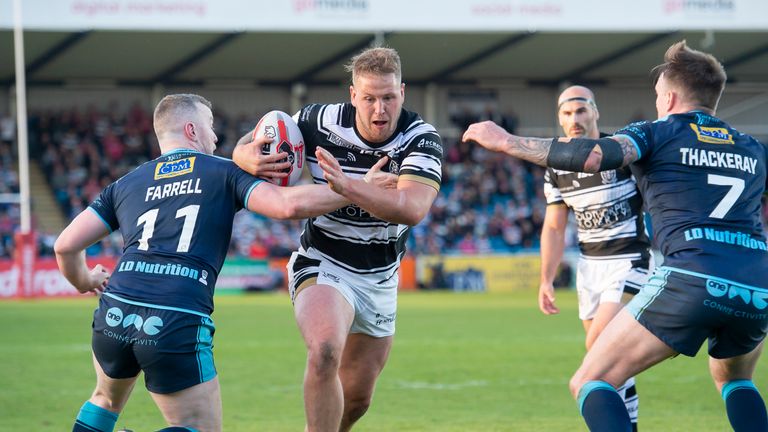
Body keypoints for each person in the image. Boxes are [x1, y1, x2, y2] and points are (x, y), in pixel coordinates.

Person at [463, 41, 768, 432]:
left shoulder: (656, 132)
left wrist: (506, 141)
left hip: (690, 276)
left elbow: (591, 157)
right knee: (736, 379)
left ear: (670, 96)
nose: (657, 102)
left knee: (590, 380)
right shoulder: (752, 149)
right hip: (756, 285)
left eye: (658, 95)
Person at [55, 93, 384, 432]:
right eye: (210, 128)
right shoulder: (222, 173)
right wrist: (357, 188)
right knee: (199, 427)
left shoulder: (125, 183)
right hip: (175, 316)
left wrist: (85, 281)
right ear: (192, 130)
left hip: (117, 308)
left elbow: (65, 245)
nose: (215, 137)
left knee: (104, 400)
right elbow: (286, 206)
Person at [234, 46, 442, 431]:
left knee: (358, 399)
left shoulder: (421, 138)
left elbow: (411, 208)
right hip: (323, 260)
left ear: (403, 93)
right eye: (369, 99)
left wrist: (348, 185)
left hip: (380, 277)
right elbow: (257, 138)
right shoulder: (318, 119)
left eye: (389, 98)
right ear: (352, 95)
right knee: (325, 350)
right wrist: (242, 155)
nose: (379, 110)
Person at [539, 85, 651, 429]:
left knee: (599, 349)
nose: (575, 119)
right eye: (567, 113)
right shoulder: (556, 167)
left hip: (630, 261)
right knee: (611, 360)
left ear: (595, 113)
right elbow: (555, 227)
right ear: (559, 118)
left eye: (581, 111)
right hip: (590, 269)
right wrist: (546, 277)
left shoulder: (619, 154)